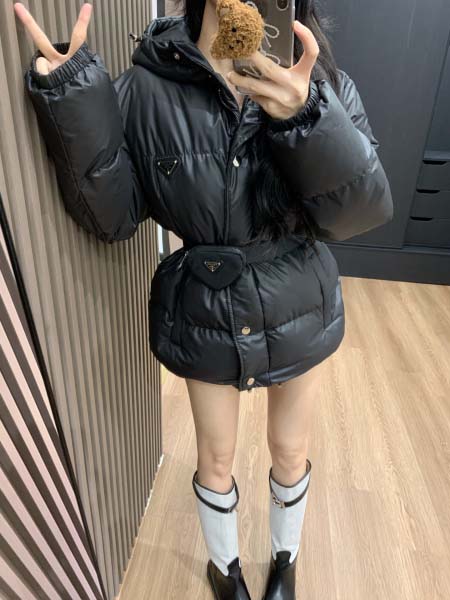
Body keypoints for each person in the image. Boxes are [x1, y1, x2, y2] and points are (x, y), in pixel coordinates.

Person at [15, 0, 393, 598]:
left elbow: (359, 213)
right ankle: (225, 568)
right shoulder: (147, 88)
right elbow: (114, 216)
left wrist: (306, 117)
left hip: (298, 296)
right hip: (206, 307)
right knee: (215, 458)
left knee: (290, 449)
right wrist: (72, 94)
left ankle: (286, 561)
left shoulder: (320, 80)